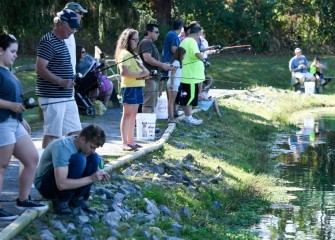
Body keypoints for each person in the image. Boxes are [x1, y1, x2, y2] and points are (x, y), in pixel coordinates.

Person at [0, 34, 47, 220]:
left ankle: (23, 198)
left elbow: (14, 98)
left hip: (14, 122)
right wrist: (11, 106)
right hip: (2, 123)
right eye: (12, 51)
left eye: (16, 52)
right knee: (1, 166)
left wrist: (20, 117)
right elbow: (8, 102)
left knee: (32, 159)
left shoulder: (7, 70)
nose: (15, 55)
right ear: (0, 50)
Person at [34, 124, 110, 215]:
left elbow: (91, 160)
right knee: (79, 159)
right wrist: (91, 178)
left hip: (61, 182)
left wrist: (99, 173)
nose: (93, 150)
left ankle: (78, 198)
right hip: (45, 186)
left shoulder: (79, 143)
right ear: (82, 139)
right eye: (92, 147)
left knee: (94, 157)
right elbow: (61, 184)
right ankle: (62, 201)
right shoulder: (62, 147)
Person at [35, 10, 82, 148]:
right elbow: (40, 68)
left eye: (75, 28)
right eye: (71, 27)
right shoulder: (48, 40)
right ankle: (46, 165)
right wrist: (61, 81)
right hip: (52, 96)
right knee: (52, 134)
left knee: (76, 132)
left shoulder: (61, 41)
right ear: (60, 24)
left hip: (66, 96)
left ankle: (70, 163)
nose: (73, 31)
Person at [114, 28, 150, 151]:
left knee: (133, 115)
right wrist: (141, 74)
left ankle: (131, 141)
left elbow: (141, 70)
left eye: (137, 39)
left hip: (138, 86)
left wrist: (145, 74)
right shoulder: (124, 54)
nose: (137, 42)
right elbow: (124, 72)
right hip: (129, 87)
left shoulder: (133, 54)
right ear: (128, 40)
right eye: (134, 39)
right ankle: (124, 142)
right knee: (127, 114)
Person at [138, 23, 171, 113]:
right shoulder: (146, 42)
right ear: (149, 32)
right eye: (156, 32)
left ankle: (149, 126)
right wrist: (162, 65)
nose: (158, 34)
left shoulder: (150, 43)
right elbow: (147, 58)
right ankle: (145, 125)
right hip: (149, 79)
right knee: (148, 104)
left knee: (151, 104)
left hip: (153, 78)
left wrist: (163, 65)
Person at [179, 23, 206, 126]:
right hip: (191, 77)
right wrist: (204, 60)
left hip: (187, 75)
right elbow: (196, 53)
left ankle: (188, 117)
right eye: (200, 33)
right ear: (197, 33)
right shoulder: (192, 42)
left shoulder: (184, 41)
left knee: (187, 97)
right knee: (189, 98)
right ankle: (189, 118)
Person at [160, 19, 184, 95]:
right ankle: (171, 103)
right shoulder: (174, 36)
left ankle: (168, 100)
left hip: (166, 61)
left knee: (168, 82)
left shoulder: (169, 33)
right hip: (171, 63)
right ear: (180, 27)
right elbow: (173, 49)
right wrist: (182, 51)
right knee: (172, 85)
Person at [63, 2, 88, 74]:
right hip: (63, 81)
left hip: (69, 80)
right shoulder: (62, 34)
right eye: (80, 13)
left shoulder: (71, 33)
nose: (82, 16)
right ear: (71, 13)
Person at [167, 47, 186, 123]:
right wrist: (172, 84)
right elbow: (172, 73)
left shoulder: (176, 62)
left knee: (173, 101)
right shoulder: (176, 62)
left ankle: (172, 116)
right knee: (171, 101)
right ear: (181, 54)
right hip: (173, 84)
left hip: (175, 84)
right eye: (184, 54)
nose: (184, 56)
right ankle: (171, 118)